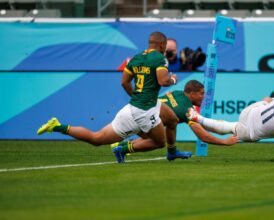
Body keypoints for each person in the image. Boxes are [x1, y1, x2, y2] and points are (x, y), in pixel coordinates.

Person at [36, 31, 178, 163]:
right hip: (145, 110)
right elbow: (163, 81)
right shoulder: (160, 59)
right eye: (165, 46)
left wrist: (136, 95)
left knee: (96, 138)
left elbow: (124, 82)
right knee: (159, 142)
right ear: (162, 44)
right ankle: (122, 149)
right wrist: (173, 79)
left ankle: (57, 126)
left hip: (133, 107)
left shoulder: (135, 59)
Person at [112, 80, 239, 161]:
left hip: (134, 111)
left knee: (168, 126)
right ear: (192, 93)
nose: (204, 96)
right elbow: (203, 136)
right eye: (201, 93)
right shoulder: (187, 111)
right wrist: (225, 142)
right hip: (142, 118)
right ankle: (122, 149)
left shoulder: (178, 93)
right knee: (158, 141)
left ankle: (171, 152)